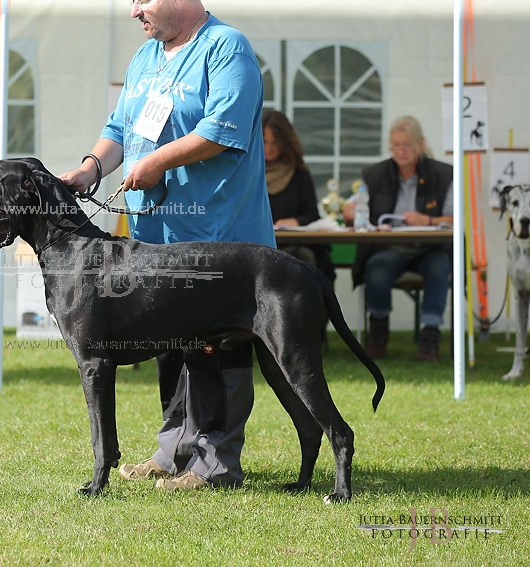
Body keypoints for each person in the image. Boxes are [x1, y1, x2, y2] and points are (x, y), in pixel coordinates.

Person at [59, 0, 275, 490]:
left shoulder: (225, 48)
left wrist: (157, 162)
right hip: (156, 239)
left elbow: (223, 130)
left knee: (217, 348)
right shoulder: (146, 57)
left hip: (217, 236)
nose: (135, 11)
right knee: (175, 346)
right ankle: (173, 451)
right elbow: (119, 129)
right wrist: (91, 166)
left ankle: (214, 464)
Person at [342, 115, 453, 361]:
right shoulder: (376, 174)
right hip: (391, 247)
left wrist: (429, 220)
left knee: (439, 267)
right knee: (377, 268)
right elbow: (357, 206)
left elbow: (457, 219)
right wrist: (350, 212)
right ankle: (379, 329)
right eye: (396, 145)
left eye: (407, 145)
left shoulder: (443, 174)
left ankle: (430, 333)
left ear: (420, 144)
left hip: (429, 247)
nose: (401, 151)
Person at [263, 110, 335, 285]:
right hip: (263, 244)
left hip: (296, 244)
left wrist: (295, 221)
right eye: (265, 142)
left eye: (275, 142)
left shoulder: (299, 174)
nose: (269, 148)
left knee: (304, 260)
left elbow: (312, 215)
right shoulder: (250, 174)